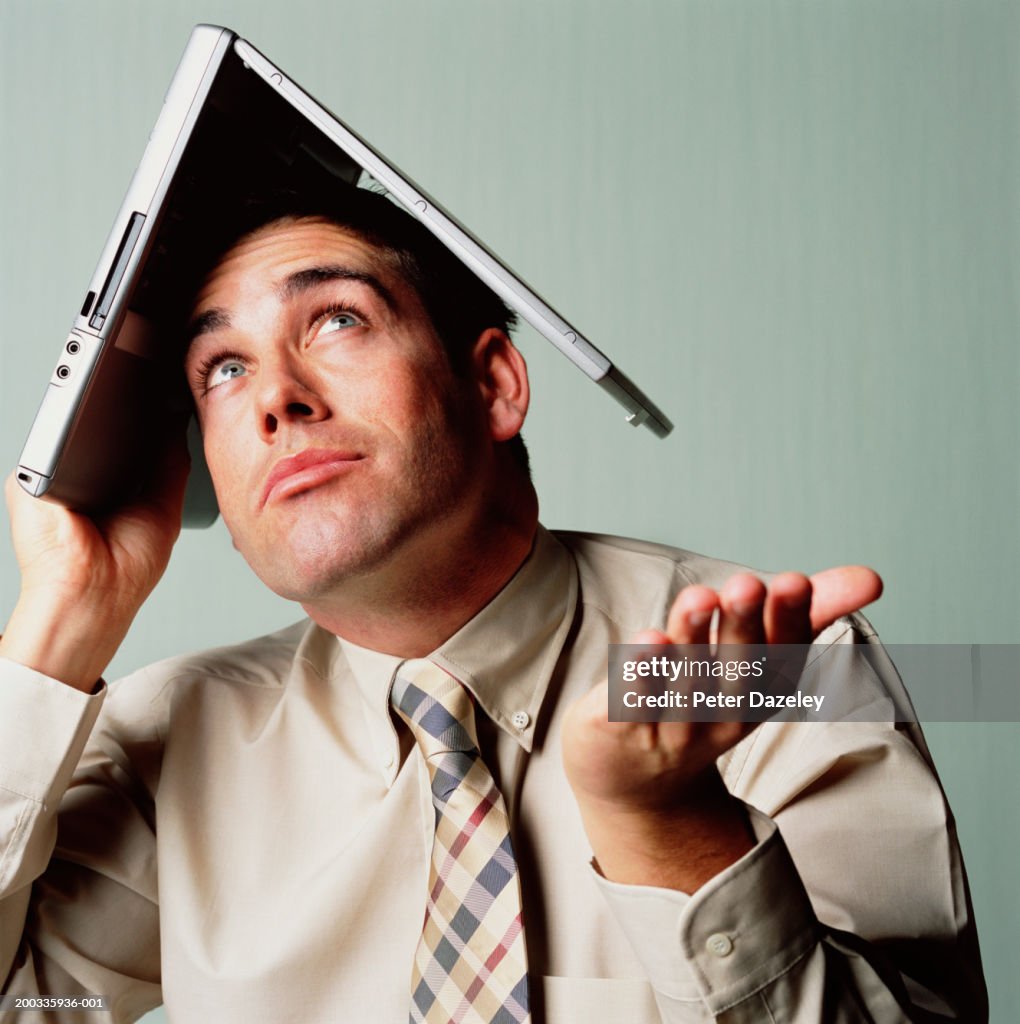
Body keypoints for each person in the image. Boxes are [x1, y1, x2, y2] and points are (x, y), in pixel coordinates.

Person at [0, 186, 986, 1023]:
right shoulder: (173, 738)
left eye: (336, 319)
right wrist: (60, 623)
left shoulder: (777, 663)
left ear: (495, 383)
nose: (277, 397)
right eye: (224, 368)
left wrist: (671, 826)